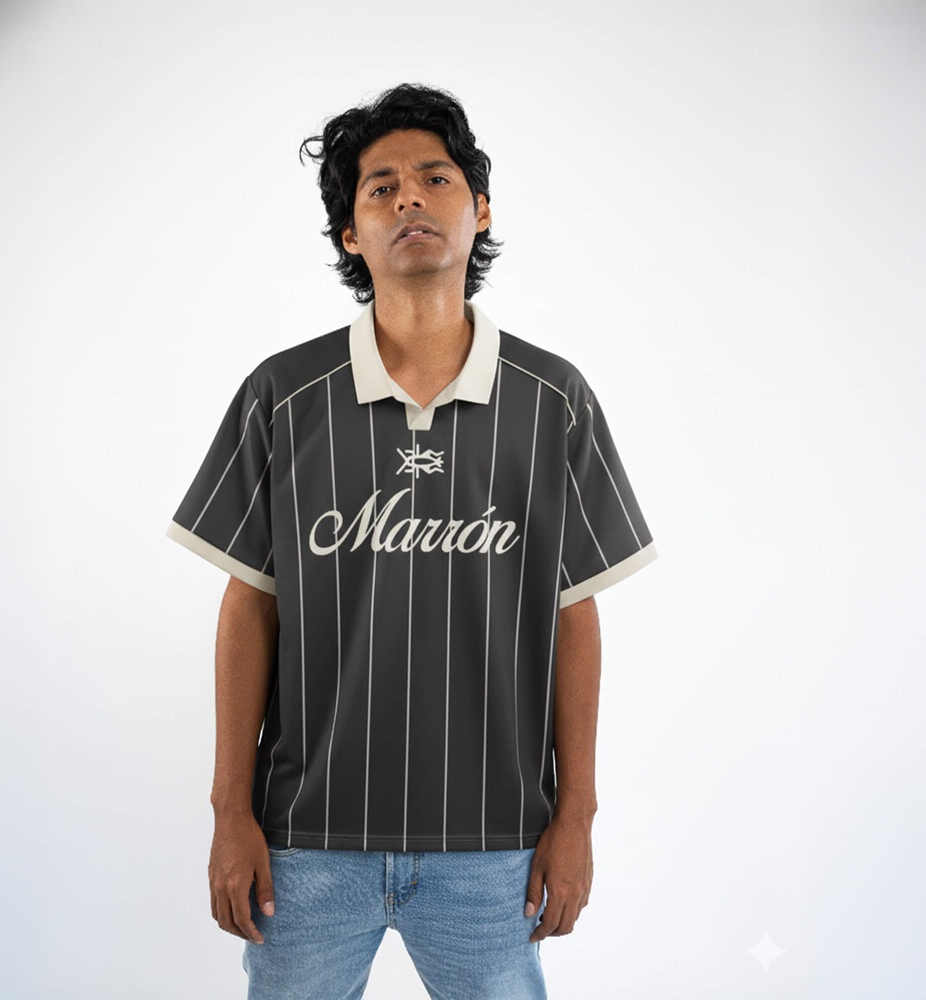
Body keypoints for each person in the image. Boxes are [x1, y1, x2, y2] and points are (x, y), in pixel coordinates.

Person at [165, 82, 658, 1000]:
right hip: (307, 840)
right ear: (350, 233)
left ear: (480, 209)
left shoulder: (553, 401)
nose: (409, 200)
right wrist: (231, 811)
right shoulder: (283, 396)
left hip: (496, 843)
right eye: (380, 187)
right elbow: (250, 608)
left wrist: (577, 815)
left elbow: (573, 615)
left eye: (436, 178)